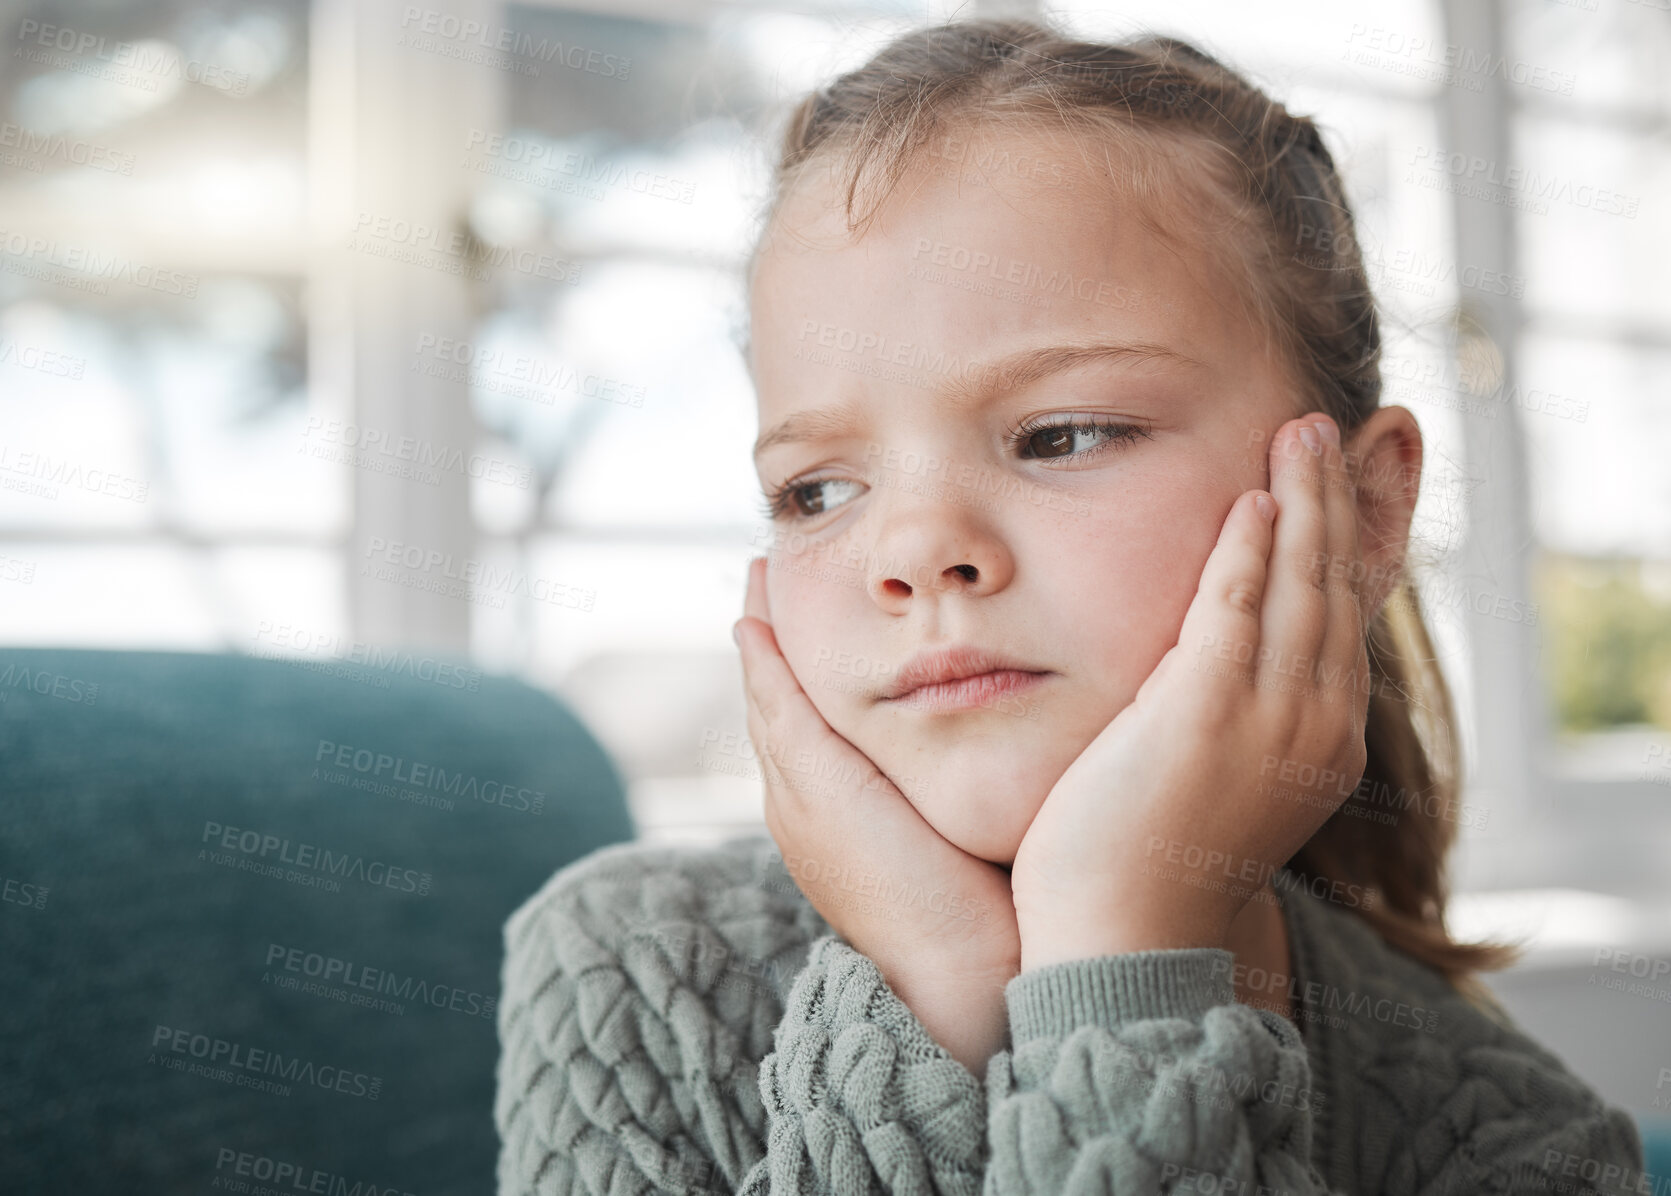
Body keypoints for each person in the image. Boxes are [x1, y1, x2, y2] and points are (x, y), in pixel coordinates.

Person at [494, 18, 1646, 1194]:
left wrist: (1123, 953)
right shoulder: (634, 968)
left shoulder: (1524, 1147)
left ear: (1361, 509)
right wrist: (935, 991)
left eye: (1064, 433)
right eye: (817, 488)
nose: (915, 549)